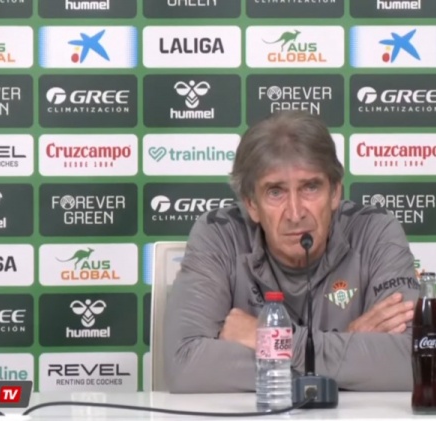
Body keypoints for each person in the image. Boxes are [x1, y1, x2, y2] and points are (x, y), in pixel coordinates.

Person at [164, 110, 421, 393]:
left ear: (335, 192)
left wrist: (275, 341)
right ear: (251, 204)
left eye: (310, 187)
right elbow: (186, 367)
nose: (296, 213)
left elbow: (415, 363)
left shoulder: (376, 231)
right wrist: (348, 349)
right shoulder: (219, 234)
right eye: (275, 192)